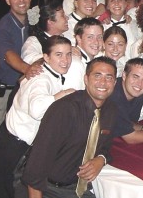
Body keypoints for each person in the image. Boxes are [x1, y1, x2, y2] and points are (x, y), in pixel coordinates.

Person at [0, 36, 78, 198]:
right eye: (58, 54)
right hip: (10, 148)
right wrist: (64, 94)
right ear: (46, 57)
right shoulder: (41, 78)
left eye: (68, 54)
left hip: (13, 144)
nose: (65, 60)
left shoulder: (50, 73)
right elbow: (37, 109)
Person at [21, 56, 117, 198]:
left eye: (109, 78)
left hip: (79, 187)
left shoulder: (111, 110)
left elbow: (106, 145)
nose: (103, 82)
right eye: (97, 75)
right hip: (49, 189)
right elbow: (36, 168)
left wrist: (101, 159)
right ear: (86, 79)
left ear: (115, 82)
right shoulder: (64, 110)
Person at [0, 0, 42, 197]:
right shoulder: (4, 27)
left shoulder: (30, 22)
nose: (21, 0)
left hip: (17, 94)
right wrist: (29, 69)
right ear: (7, 0)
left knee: (16, 144)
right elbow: (10, 57)